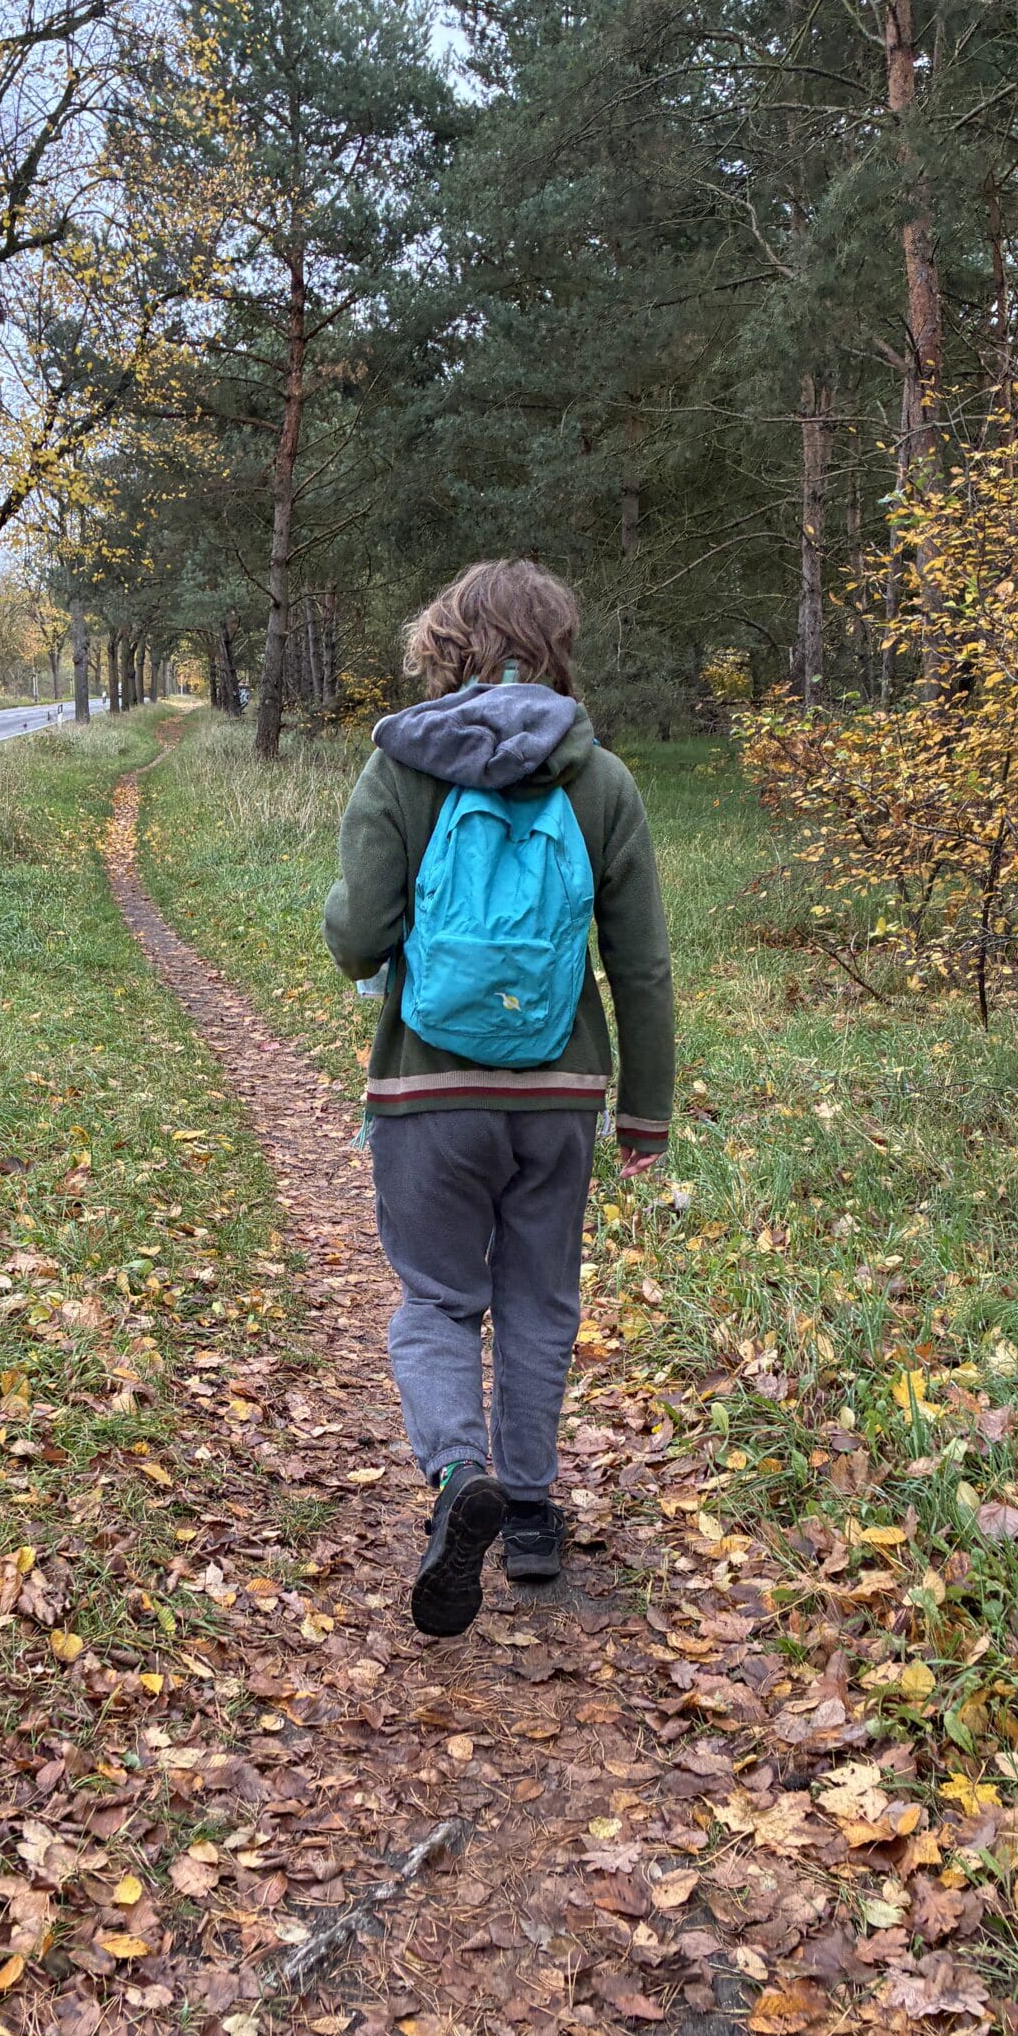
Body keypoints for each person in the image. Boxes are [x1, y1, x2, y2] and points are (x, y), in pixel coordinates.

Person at [323, 559, 674, 1636]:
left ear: (445, 643)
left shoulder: (400, 769)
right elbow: (642, 962)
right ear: (555, 644)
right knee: (539, 1299)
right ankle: (527, 1512)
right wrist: (645, 1108)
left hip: (428, 1089)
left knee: (435, 1298)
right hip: (560, 1092)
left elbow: (354, 942)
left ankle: (454, 1472)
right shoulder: (600, 778)